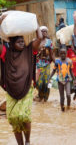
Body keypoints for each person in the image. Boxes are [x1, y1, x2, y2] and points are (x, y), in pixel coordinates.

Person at [0, 15, 43, 145]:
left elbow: (40, 38)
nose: (22, 43)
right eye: (18, 41)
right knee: (13, 118)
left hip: (26, 89)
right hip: (11, 90)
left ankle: (28, 141)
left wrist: (35, 23)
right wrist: (0, 22)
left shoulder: (29, 50)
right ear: (12, 43)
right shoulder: (6, 53)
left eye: (23, 41)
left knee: (24, 116)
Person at [49, 45, 76, 111]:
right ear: (59, 54)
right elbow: (54, 70)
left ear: (66, 53)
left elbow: (71, 71)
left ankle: (68, 106)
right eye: (61, 53)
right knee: (62, 96)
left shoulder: (69, 61)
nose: (63, 55)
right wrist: (49, 78)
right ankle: (62, 108)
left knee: (68, 95)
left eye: (64, 53)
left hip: (67, 80)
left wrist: (74, 80)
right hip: (60, 81)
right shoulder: (57, 61)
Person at [36, 26, 55, 102]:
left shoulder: (49, 42)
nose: (44, 33)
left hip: (46, 64)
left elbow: (52, 54)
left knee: (46, 82)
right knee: (38, 83)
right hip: (38, 64)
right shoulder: (36, 41)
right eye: (42, 31)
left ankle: (45, 98)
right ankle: (40, 95)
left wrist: (56, 64)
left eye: (45, 31)